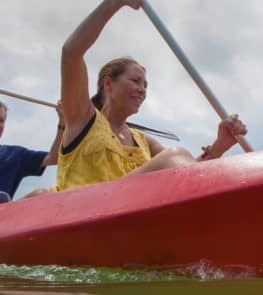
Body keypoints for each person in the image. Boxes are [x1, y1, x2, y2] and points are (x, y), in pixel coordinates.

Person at [57, 0, 247, 192]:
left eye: (145, 85)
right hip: (84, 213)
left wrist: (220, 145)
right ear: (108, 84)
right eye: (135, 81)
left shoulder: (144, 142)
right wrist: (113, 3)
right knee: (174, 156)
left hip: (131, 217)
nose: (142, 90)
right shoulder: (81, 117)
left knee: (176, 159)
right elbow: (71, 53)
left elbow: (187, 172)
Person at [0, 100, 65, 201]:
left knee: (42, 194)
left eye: (1, 121)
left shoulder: (15, 155)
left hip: (4, 214)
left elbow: (54, 157)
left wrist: (63, 122)